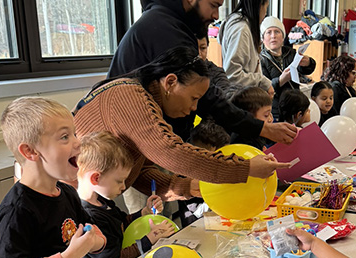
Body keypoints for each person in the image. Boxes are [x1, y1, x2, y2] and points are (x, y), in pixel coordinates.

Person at [108, 0, 296, 146]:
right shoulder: (165, 28)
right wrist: (261, 128)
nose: (215, 15)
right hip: (125, 137)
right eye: (213, 6)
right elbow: (207, 96)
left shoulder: (176, 23)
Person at [74, 46, 288, 202]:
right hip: (70, 192)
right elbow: (171, 151)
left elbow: (141, 170)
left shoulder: (146, 101)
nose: (195, 107)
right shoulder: (129, 95)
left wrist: (186, 187)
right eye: (194, 98)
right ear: (170, 82)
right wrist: (246, 168)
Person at [0, 98, 106, 258]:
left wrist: (96, 242)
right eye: (65, 137)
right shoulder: (17, 210)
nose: (78, 143)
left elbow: (89, 231)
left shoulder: (66, 192)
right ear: (30, 151)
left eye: (75, 134)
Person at [76, 132, 175, 258]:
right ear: (96, 178)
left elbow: (122, 223)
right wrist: (151, 237)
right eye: (119, 181)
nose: (123, 187)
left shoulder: (101, 200)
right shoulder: (89, 216)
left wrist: (144, 212)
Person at [219, 0, 273, 96]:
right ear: (259, 6)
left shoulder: (242, 25)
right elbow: (233, 75)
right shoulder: (241, 29)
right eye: (266, 7)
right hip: (241, 98)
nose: (265, 13)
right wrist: (263, 82)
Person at [177, 121, 231, 227]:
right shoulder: (187, 175)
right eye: (222, 154)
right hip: (196, 228)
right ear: (212, 149)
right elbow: (197, 212)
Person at [259, 16, 316, 118]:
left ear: (283, 37)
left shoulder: (291, 53)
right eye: (269, 32)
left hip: (296, 105)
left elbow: (307, 70)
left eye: (277, 32)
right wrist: (280, 80)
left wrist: (308, 63)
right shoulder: (261, 59)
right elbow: (262, 87)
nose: (273, 36)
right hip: (275, 109)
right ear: (263, 39)